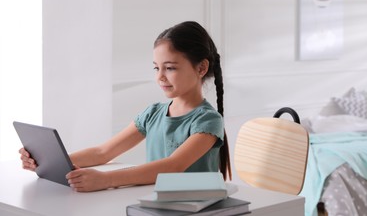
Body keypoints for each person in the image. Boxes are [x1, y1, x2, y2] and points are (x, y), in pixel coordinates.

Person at [19, 21, 232, 192]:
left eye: (170, 68)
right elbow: (103, 152)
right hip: (158, 204)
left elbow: (172, 166)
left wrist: (106, 180)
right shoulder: (153, 114)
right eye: (156, 67)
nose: (160, 77)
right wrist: (50, 161)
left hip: (196, 208)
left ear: (202, 68)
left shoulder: (208, 121)